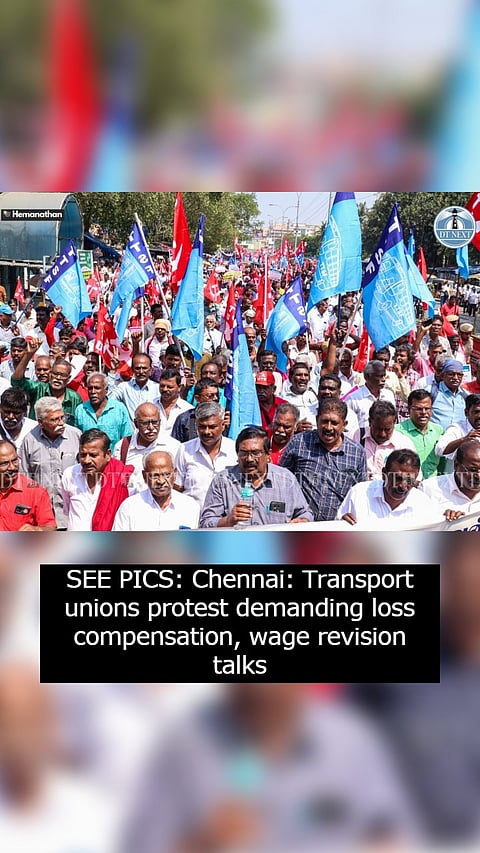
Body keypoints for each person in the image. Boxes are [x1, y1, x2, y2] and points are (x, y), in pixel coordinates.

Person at [122, 683, 418, 853]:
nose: (261, 689)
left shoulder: (349, 744)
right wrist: (203, 843)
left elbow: (393, 833)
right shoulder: (186, 748)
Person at [200, 426, 313, 527]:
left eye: (255, 453)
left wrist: (302, 521)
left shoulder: (286, 480)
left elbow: (305, 513)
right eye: (244, 453)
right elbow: (206, 522)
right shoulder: (222, 481)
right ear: (237, 454)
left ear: (268, 454)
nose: (249, 459)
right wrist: (228, 521)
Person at [280, 398, 367, 521]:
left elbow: (360, 493)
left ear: (344, 425)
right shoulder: (299, 442)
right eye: (324, 421)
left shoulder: (357, 453)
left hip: (337, 527)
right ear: (317, 420)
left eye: (334, 423)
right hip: (300, 525)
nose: (329, 428)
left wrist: (351, 514)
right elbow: (281, 481)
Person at [19, 396, 81, 528]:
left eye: (62, 417)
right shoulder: (29, 440)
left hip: (71, 513)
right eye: (54, 420)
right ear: (41, 422)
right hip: (42, 516)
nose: (61, 423)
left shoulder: (76, 436)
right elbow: (24, 478)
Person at [337, 449, 442, 527]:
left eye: (409, 480)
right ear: (384, 474)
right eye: (397, 478)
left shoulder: (424, 504)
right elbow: (336, 529)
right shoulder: (359, 493)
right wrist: (342, 525)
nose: (402, 486)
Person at [61, 428, 135, 531]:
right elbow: (67, 509)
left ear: (108, 455)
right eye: (83, 455)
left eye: (93, 455)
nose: (87, 460)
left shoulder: (124, 478)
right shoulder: (69, 475)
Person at [112, 451, 200, 531]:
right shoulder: (129, 507)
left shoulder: (190, 507)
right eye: (154, 475)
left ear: (175, 474)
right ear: (144, 476)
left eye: (166, 475)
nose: (161, 481)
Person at [174, 402, 237, 506]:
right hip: (193, 517)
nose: (207, 432)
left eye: (212, 427)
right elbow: (177, 488)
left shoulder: (234, 450)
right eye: (202, 427)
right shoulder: (184, 449)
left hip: (227, 518)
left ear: (223, 426)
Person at [12, 338, 82, 425]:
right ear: (50, 374)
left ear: (68, 378)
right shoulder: (38, 388)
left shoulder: (75, 398)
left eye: (62, 375)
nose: (58, 378)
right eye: (55, 374)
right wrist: (28, 354)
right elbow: (16, 382)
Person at [112, 402, 180, 490]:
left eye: (155, 422)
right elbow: (115, 479)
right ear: (136, 424)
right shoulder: (122, 447)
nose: (151, 427)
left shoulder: (174, 447)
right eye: (145, 423)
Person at [0, 438, 56, 530]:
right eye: (5, 463)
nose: (12, 467)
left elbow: (50, 527)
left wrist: (37, 530)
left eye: (15, 460)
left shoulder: (36, 491)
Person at [420, 439, 480, 518]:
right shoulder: (429, 490)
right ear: (456, 465)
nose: (478, 476)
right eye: (473, 470)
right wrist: (441, 519)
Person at [74, 372, 132, 448]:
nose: (93, 392)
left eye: (97, 388)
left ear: (106, 390)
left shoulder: (119, 409)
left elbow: (127, 437)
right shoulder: (80, 409)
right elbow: (76, 438)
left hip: (113, 457)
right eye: (90, 388)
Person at [395, 390, 444, 479]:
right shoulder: (398, 431)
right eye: (419, 409)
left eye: (427, 408)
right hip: (408, 484)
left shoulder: (438, 430)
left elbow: (443, 462)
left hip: (433, 484)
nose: (424, 412)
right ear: (409, 410)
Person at [363, 400, 417, 480]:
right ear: (370, 422)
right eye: (378, 429)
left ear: (394, 423)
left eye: (387, 429)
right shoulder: (356, 436)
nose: (382, 434)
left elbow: (414, 478)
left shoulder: (404, 444)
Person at [434, 393, 480, 475]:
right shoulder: (457, 429)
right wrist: (464, 440)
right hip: (459, 481)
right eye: (476, 412)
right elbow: (439, 450)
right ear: (466, 412)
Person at [343, 361, 396, 431]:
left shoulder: (388, 395)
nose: (383, 379)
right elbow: (348, 426)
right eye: (379, 376)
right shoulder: (353, 399)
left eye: (384, 376)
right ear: (367, 376)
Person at [109, 352, 159, 420]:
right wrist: (113, 371)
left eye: (144, 368)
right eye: (138, 368)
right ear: (132, 370)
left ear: (150, 370)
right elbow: (110, 400)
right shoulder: (124, 387)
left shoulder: (158, 389)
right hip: (131, 430)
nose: (141, 372)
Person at [153, 369, 193, 436]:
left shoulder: (189, 410)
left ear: (179, 387)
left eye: (169, 387)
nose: (165, 389)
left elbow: (192, 436)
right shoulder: (150, 405)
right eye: (162, 386)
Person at [430, 359, 468, 431]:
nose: (456, 378)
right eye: (451, 374)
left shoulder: (465, 395)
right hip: (435, 439)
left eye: (459, 375)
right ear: (443, 376)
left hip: (459, 439)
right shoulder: (431, 391)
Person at [282, 363, 318, 428]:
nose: (303, 378)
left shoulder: (314, 395)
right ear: (290, 378)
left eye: (306, 375)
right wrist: (295, 427)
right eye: (299, 375)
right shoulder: (283, 400)